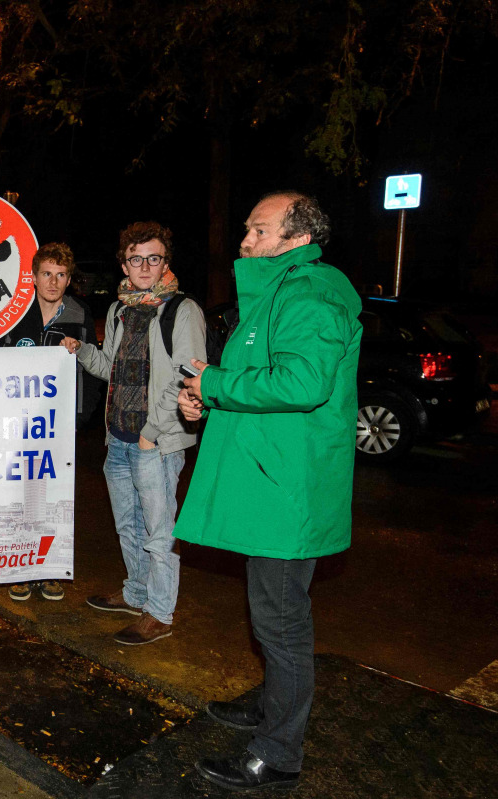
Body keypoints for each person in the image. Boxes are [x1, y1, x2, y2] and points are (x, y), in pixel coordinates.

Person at [176, 192, 361, 791]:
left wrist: (215, 382)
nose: (245, 242)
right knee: (270, 616)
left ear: (296, 238)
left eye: (258, 231)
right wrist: (207, 398)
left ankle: (279, 753)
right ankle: (270, 707)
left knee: (281, 623)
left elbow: (302, 382)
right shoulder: (281, 293)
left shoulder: (310, 292)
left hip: (289, 495)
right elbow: (262, 385)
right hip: (272, 485)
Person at [63, 222, 205, 645]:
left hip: (155, 442)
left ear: (166, 264)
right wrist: (82, 350)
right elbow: (111, 367)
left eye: (154, 258)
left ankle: (160, 613)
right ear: (124, 263)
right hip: (117, 439)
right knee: (128, 526)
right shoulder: (120, 309)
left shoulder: (183, 310)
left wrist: (150, 432)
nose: (144, 266)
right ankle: (136, 593)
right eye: (136, 258)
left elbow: (187, 374)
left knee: (160, 534)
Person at [0, 242, 94, 603]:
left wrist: (78, 420)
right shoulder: (12, 313)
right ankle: (20, 568)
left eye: (60, 275)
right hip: (16, 425)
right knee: (18, 498)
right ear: (33, 277)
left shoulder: (80, 314)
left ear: (68, 280)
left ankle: (50, 570)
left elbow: (91, 372)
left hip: (57, 428)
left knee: (54, 500)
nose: (53, 281)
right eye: (46, 274)